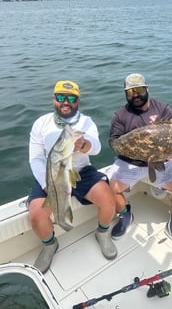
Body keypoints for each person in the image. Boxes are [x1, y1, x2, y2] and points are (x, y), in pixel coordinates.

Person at [28, 80, 118, 273]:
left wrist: (83, 145)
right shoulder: (41, 123)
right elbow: (35, 159)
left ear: (78, 100)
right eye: (61, 97)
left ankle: (102, 233)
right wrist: (47, 185)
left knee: (109, 201)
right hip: (51, 173)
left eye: (71, 98)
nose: (66, 102)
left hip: (81, 170)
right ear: (54, 99)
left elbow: (96, 146)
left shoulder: (86, 121)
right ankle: (50, 244)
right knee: (36, 214)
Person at [108, 73, 172, 254]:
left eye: (138, 90)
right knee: (110, 187)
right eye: (130, 92)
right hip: (130, 162)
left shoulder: (162, 109)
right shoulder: (120, 116)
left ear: (147, 89)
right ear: (126, 94)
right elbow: (114, 142)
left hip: (162, 160)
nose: (135, 95)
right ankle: (125, 216)